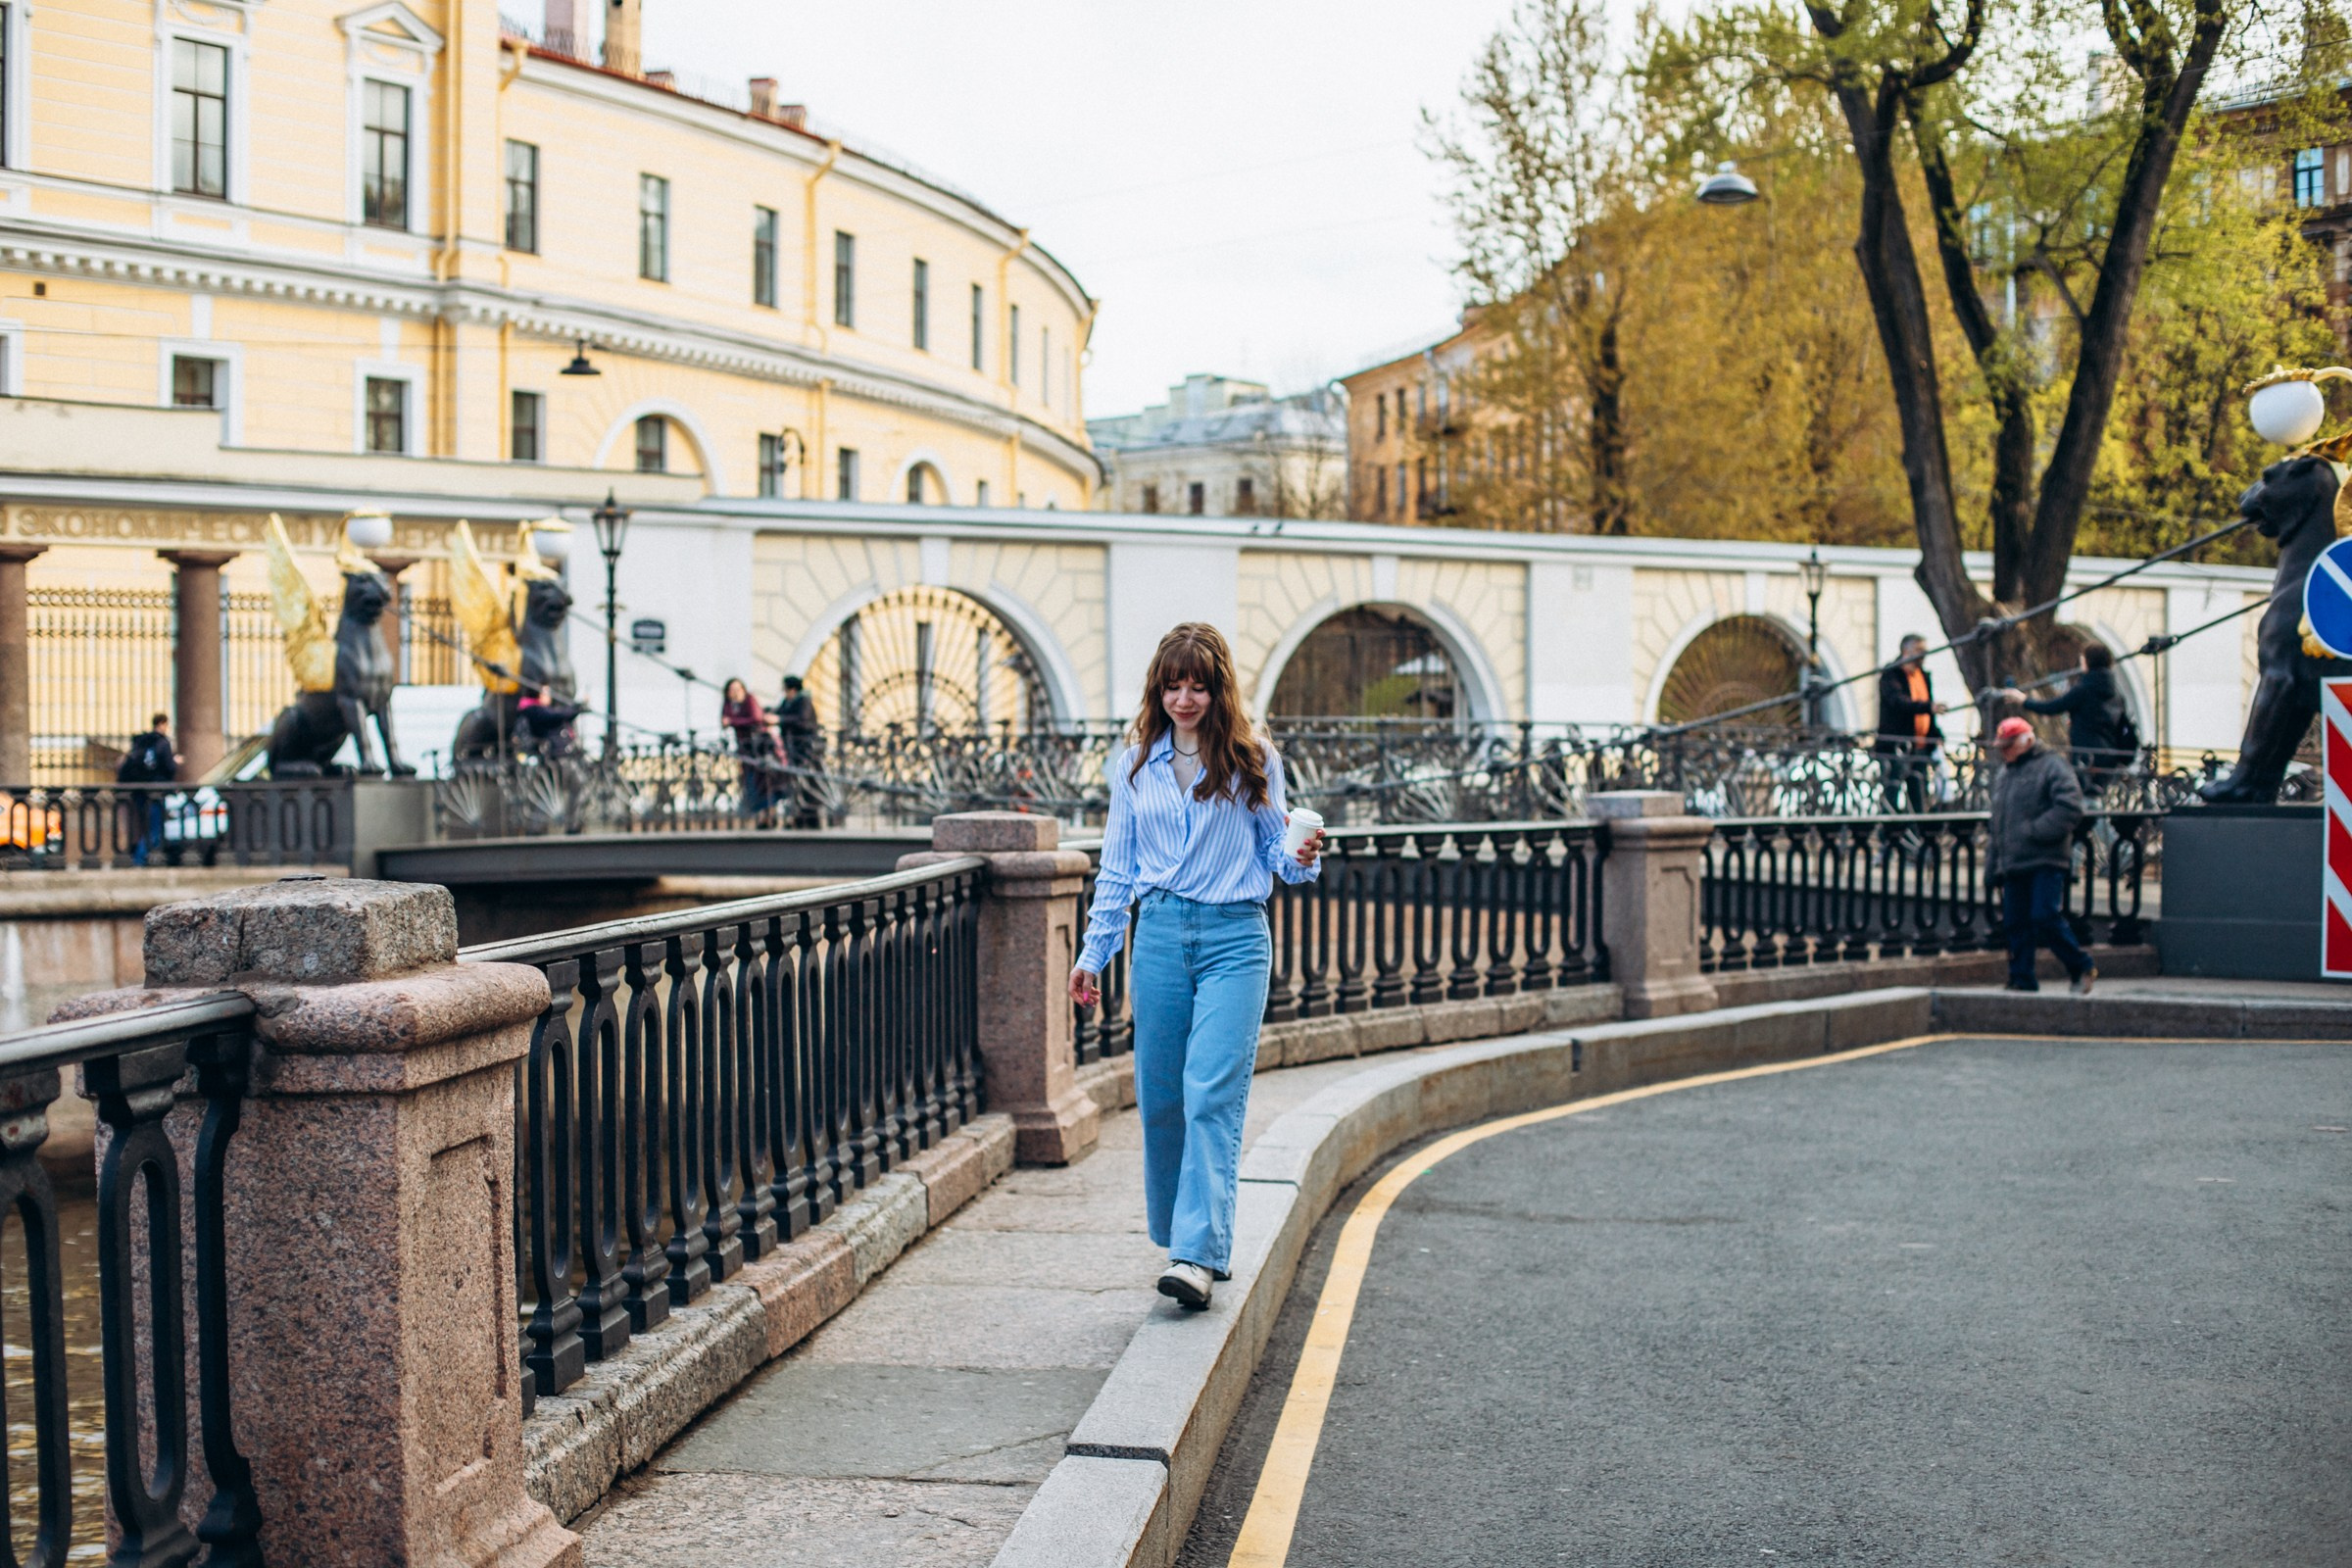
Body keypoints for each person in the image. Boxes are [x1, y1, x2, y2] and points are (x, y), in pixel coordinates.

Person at [1067, 623, 1326, 1310]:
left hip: (1234, 939)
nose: (1185, 697)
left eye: (1199, 685)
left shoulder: (1252, 758)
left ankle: (1196, 1256)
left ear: (1218, 689)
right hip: (1158, 937)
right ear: (1160, 688)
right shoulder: (1132, 768)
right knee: (1162, 1099)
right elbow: (1118, 872)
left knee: (1211, 1092)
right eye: (1174, 684)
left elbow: (1277, 855)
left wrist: (1302, 859)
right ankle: (1188, 1235)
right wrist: (1094, 956)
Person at [1985, 714, 2094, 995]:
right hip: (2013, 861)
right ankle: (2022, 979)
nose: (2004, 751)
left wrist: (2034, 831)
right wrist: (1992, 866)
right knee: (2015, 923)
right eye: (2002, 747)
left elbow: (2070, 807)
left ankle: (2080, 964)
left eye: (2009, 745)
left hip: (2046, 858)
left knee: (2043, 916)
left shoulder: (2052, 766)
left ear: (2027, 740)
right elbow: (1997, 823)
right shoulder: (2005, 774)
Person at [1991, 643, 2132, 795]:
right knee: (2097, 799)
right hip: (2109, 757)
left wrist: (2024, 700)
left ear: (2088, 662)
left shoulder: (2083, 689)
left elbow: (2052, 707)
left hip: (2086, 757)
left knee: (2081, 796)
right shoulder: (2116, 693)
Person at [1873, 636, 1945, 813]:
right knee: (1892, 793)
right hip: (1896, 747)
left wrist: (1935, 734)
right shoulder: (1891, 675)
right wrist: (1929, 707)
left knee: (1918, 795)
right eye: (1919, 651)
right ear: (1906, 652)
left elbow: (1928, 710)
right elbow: (1899, 702)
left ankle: (1917, 836)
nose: (1924, 656)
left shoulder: (1923, 676)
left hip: (1919, 747)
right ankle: (1888, 837)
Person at [116, 712, 177, 866]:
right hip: (156, 790)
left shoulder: (142, 741)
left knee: (146, 826)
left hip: (140, 790)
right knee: (155, 828)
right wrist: (175, 762)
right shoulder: (163, 743)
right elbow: (169, 767)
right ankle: (139, 859)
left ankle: (142, 857)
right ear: (163, 724)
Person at [720, 678, 781, 821]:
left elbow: (756, 718)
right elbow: (724, 720)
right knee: (750, 781)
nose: (734, 693)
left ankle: (770, 814)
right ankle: (760, 815)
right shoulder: (729, 704)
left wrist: (733, 722)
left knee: (764, 780)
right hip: (744, 748)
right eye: (731, 690)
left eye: (737, 689)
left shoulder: (749, 700)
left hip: (758, 747)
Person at [771, 674, 825, 828]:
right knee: (797, 782)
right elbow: (780, 712)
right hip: (794, 748)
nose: (783, 691)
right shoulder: (788, 701)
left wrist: (779, 720)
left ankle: (810, 818)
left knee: (808, 782)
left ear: (792, 689)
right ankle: (799, 816)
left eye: (785, 688)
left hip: (806, 749)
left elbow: (801, 719)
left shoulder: (803, 701)